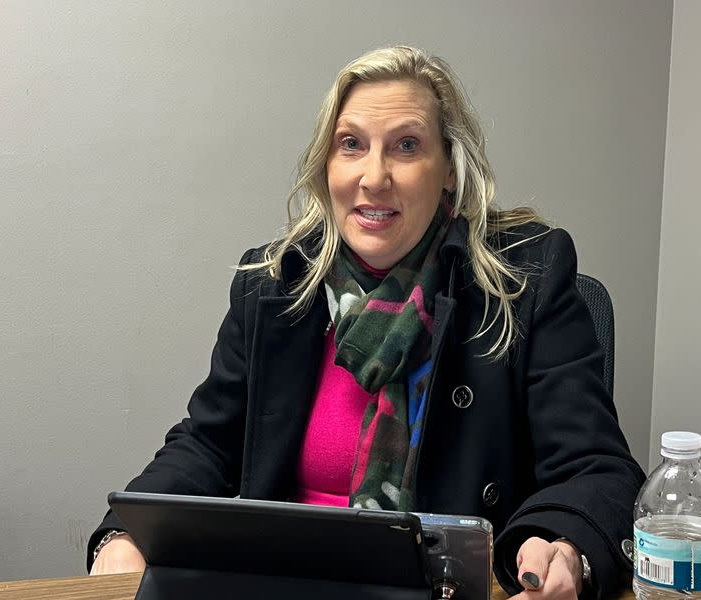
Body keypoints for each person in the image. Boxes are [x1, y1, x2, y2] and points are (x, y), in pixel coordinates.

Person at [88, 46, 645, 599]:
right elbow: (208, 443)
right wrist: (125, 534)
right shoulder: (276, 284)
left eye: (406, 146)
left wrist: (566, 548)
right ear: (326, 165)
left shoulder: (525, 280)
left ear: (448, 170)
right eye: (351, 144)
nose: (373, 177)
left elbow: (598, 470)